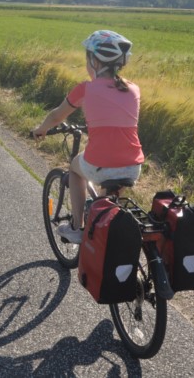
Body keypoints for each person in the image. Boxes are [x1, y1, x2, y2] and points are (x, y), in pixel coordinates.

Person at [31, 30, 143, 244]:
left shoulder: (86, 88)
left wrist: (41, 129)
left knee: (75, 168)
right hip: (133, 164)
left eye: (87, 58)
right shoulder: (133, 89)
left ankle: (77, 227)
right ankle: (104, 230)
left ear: (94, 61)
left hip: (100, 163)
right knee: (107, 200)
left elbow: (57, 115)